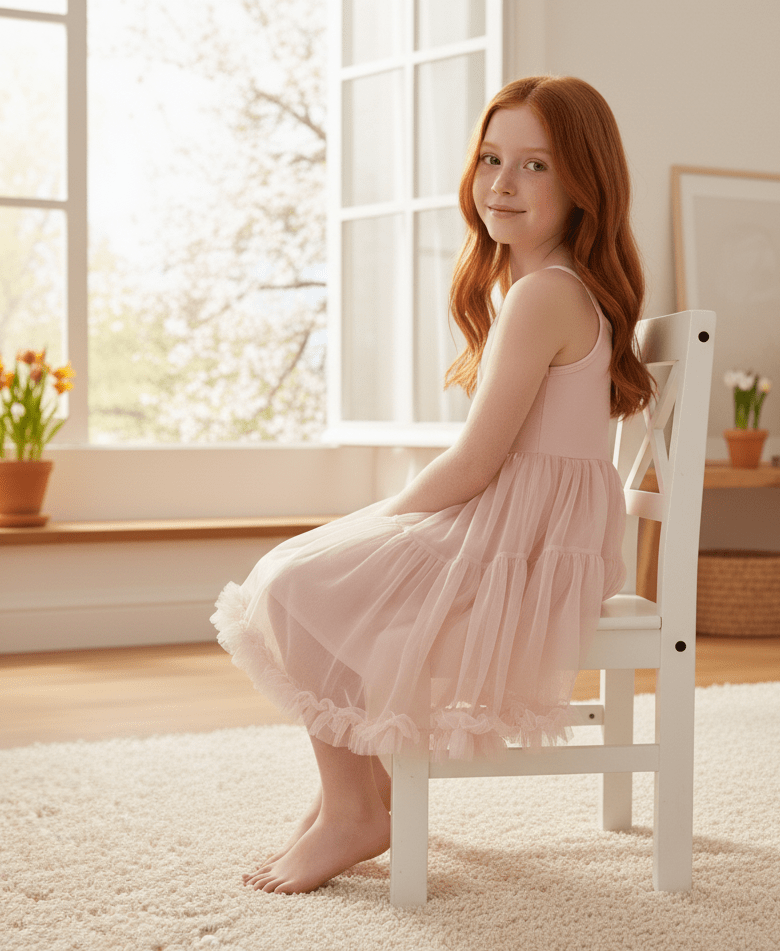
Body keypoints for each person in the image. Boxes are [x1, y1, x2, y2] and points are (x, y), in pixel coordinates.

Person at [212, 75, 655, 895]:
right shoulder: (546, 293)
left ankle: (355, 809)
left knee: (300, 581)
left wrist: (369, 521)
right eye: (492, 158)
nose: (502, 184)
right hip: (524, 532)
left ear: (585, 186)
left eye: (535, 166)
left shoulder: (543, 297)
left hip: (520, 548)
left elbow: (476, 464)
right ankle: (358, 791)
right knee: (309, 578)